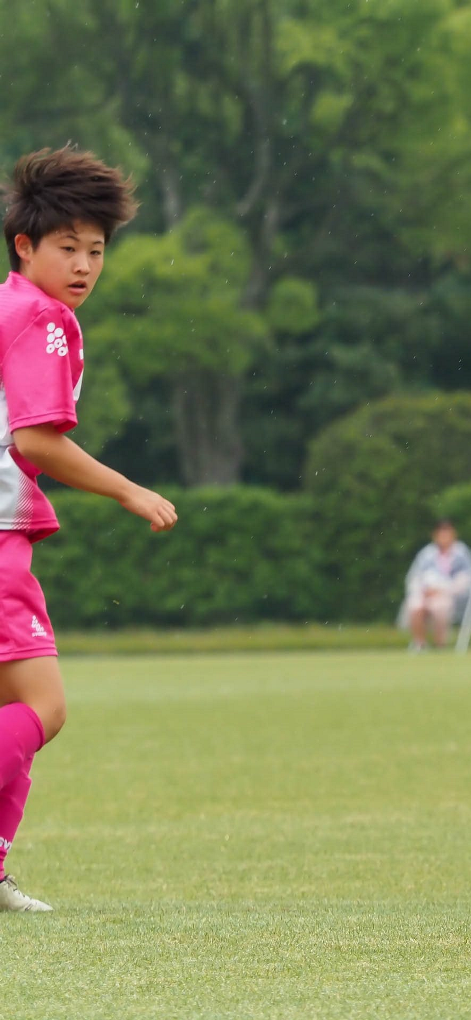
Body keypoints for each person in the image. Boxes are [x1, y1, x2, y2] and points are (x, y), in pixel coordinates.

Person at [0, 147, 177, 911]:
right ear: (24, 245)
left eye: (96, 250)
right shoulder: (44, 318)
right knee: (44, 709)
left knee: (12, 711)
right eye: (67, 247)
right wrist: (131, 490)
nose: (83, 266)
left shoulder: (5, 304)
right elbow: (37, 440)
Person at [400, 519, 471, 652]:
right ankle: (420, 643)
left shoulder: (461, 554)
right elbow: (414, 577)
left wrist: (443, 590)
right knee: (415, 604)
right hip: (425, 593)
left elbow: (468, 579)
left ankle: (440, 645)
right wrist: (423, 591)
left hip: (451, 597)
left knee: (439, 606)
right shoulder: (427, 554)